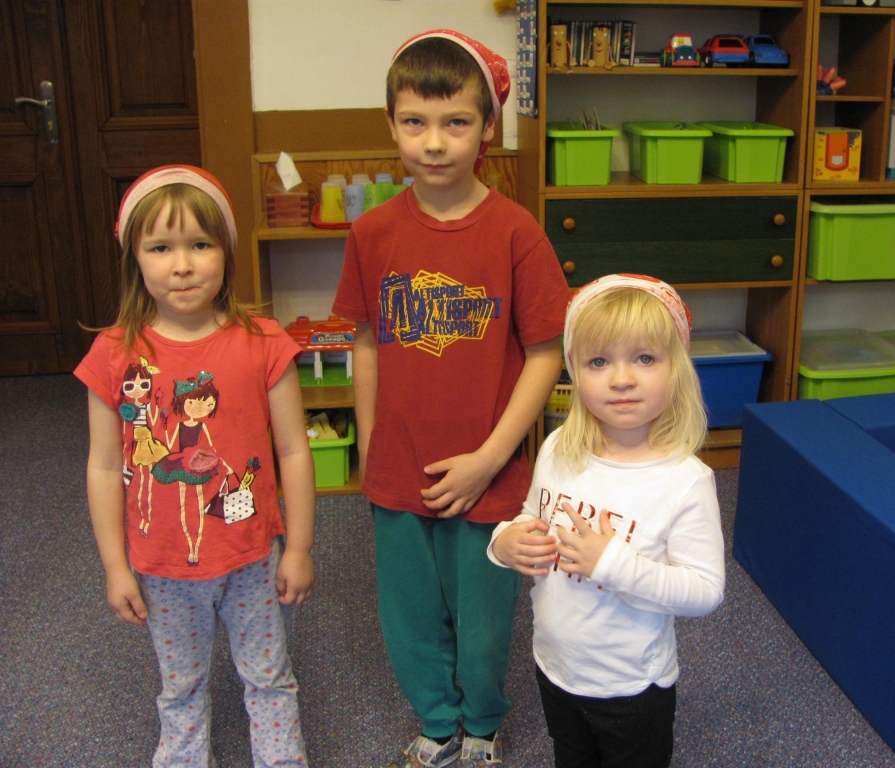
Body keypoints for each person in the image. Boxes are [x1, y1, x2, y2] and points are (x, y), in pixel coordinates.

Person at [332, 29, 571, 768]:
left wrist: (492, 458)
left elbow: (546, 352)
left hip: (488, 473)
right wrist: (371, 442)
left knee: (484, 618)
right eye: (415, 121)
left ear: (487, 126)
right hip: (399, 468)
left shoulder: (516, 233)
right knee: (408, 613)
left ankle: (482, 725)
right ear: (391, 124)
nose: (434, 142)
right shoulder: (372, 233)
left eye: (456, 122)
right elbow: (366, 342)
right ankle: (437, 723)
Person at [75, 165, 315, 768]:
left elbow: (294, 451)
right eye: (161, 248)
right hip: (162, 565)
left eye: (200, 244)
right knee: (180, 686)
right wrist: (114, 567)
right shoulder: (113, 354)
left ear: (226, 251)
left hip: (251, 555)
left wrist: (299, 547)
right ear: (135, 258)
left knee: (268, 677)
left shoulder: (264, 342)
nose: (181, 265)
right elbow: (103, 467)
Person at [490, 274, 727, 768]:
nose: (622, 379)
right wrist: (505, 541)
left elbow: (705, 591)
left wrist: (613, 565)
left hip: (632, 686)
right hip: (555, 665)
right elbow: (531, 517)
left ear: (676, 368)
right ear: (574, 370)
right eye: (599, 361)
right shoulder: (559, 447)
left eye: (645, 358)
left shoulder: (684, 480)